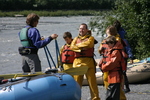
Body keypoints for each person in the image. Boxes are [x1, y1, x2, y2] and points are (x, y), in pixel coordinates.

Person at [70, 23, 100, 100]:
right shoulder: (75, 39)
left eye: (83, 28)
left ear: (87, 30)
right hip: (77, 62)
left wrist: (78, 46)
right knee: (77, 84)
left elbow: (89, 44)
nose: (81, 30)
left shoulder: (91, 38)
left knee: (92, 83)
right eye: (80, 28)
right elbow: (72, 47)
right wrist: (81, 48)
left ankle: (95, 98)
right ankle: (76, 98)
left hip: (88, 62)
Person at [99, 25, 126, 100]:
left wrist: (104, 67)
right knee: (110, 92)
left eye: (108, 43)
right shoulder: (111, 47)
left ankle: (123, 98)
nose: (107, 45)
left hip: (115, 74)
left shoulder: (116, 50)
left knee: (114, 92)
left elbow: (112, 62)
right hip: (110, 73)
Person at [113, 20, 134, 93]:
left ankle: (123, 87)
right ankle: (125, 87)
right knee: (123, 73)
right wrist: (131, 57)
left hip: (120, 57)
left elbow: (127, 48)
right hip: (123, 57)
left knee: (121, 72)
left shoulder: (116, 38)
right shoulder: (123, 38)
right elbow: (128, 48)